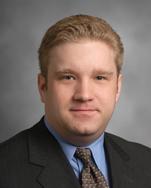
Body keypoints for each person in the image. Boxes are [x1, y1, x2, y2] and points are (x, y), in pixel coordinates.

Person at [0, 14, 151, 188]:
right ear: (43, 87)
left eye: (100, 77)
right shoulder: (5, 170)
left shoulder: (146, 162)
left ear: (117, 88)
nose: (84, 95)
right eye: (68, 77)